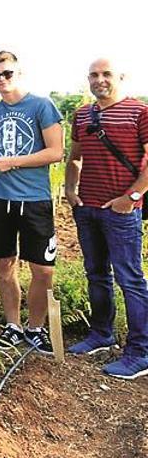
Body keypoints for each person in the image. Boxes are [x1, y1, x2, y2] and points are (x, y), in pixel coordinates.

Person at [65, 58, 148, 380]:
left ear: (121, 77)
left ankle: (140, 352)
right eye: (94, 75)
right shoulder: (83, 114)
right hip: (87, 208)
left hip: (121, 211)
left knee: (130, 279)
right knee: (96, 273)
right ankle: (102, 334)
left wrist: (132, 198)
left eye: (106, 74)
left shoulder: (139, 112)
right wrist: (71, 190)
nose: (99, 80)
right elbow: (74, 157)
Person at [0, 51, 63, 354]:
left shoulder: (42, 106)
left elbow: (56, 152)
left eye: (7, 73)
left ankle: (35, 328)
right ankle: (12, 325)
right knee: (5, 265)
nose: (2, 80)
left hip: (35, 199)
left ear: (19, 73)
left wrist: (13, 162)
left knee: (43, 269)